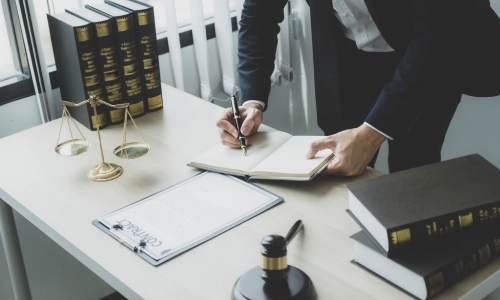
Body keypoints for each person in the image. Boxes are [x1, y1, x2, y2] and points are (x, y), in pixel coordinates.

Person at [216, 0, 500, 176]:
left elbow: (436, 35)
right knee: (339, 166)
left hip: (431, 55)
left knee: (413, 171)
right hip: (350, 58)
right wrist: (251, 103)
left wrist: (371, 134)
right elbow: (258, 18)